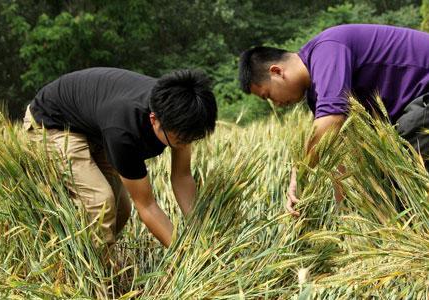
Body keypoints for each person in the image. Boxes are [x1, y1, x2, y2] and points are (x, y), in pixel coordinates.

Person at [238, 24, 429, 216]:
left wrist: (298, 174)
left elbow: (333, 120)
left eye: (268, 95)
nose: (275, 104)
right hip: (416, 106)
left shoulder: (327, 50)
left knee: (404, 159)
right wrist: (343, 213)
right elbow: (342, 151)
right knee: (383, 179)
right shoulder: (317, 95)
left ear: (277, 71)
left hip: (424, 99)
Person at [23, 67, 217, 254]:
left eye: (190, 140)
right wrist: (187, 256)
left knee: (120, 210)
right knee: (100, 204)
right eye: (180, 140)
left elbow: (182, 177)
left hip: (94, 126)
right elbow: (147, 206)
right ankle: (98, 280)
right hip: (52, 123)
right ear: (154, 119)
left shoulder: (182, 112)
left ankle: (86, 253)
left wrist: (200, 236)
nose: (185, 145)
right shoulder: (124, 130)